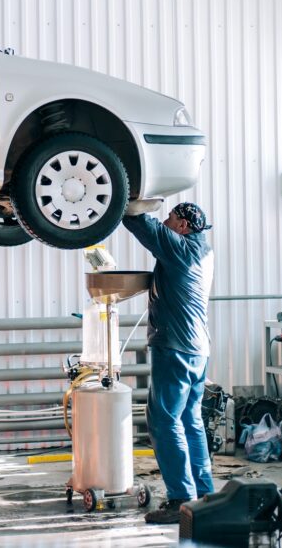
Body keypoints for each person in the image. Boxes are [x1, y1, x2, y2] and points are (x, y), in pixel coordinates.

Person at [123, 201, 215, 524]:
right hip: (198, 350)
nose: (166, 221)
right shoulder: (204, 250)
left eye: (172, 218)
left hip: (175, 347)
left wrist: (121, 200)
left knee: (164, 419)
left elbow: (143, 226)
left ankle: (180, 498)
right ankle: (204, 494)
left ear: (184, 226)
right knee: (190, 419)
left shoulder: (180, 248)